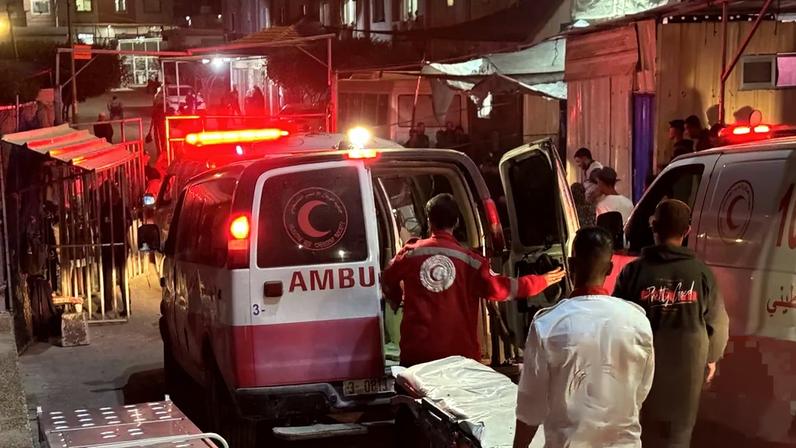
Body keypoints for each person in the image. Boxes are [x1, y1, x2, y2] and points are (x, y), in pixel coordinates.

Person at [382, 193, 566, 367]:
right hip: (460, 360)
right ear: (457, 222)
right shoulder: (472, 263)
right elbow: (503, 289)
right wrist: (541, 281)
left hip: (417, 358)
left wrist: (396, 299)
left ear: (429, 221)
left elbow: (388, 279)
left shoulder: (410, 254)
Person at [513, 227, 654, 448]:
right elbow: (640, 392)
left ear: (570, 265)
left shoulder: (547, 325)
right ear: (609, 268)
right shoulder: (637, 322)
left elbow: (531, 405)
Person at [613, 199, 729, 448]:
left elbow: (615, 322)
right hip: (687, 369)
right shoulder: (701, 273)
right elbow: (718, 322)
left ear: (653, 226)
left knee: (638, 433)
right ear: (687, 231)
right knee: (678, 435)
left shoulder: (632, 273)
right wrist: (710, 358)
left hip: (640, 368)